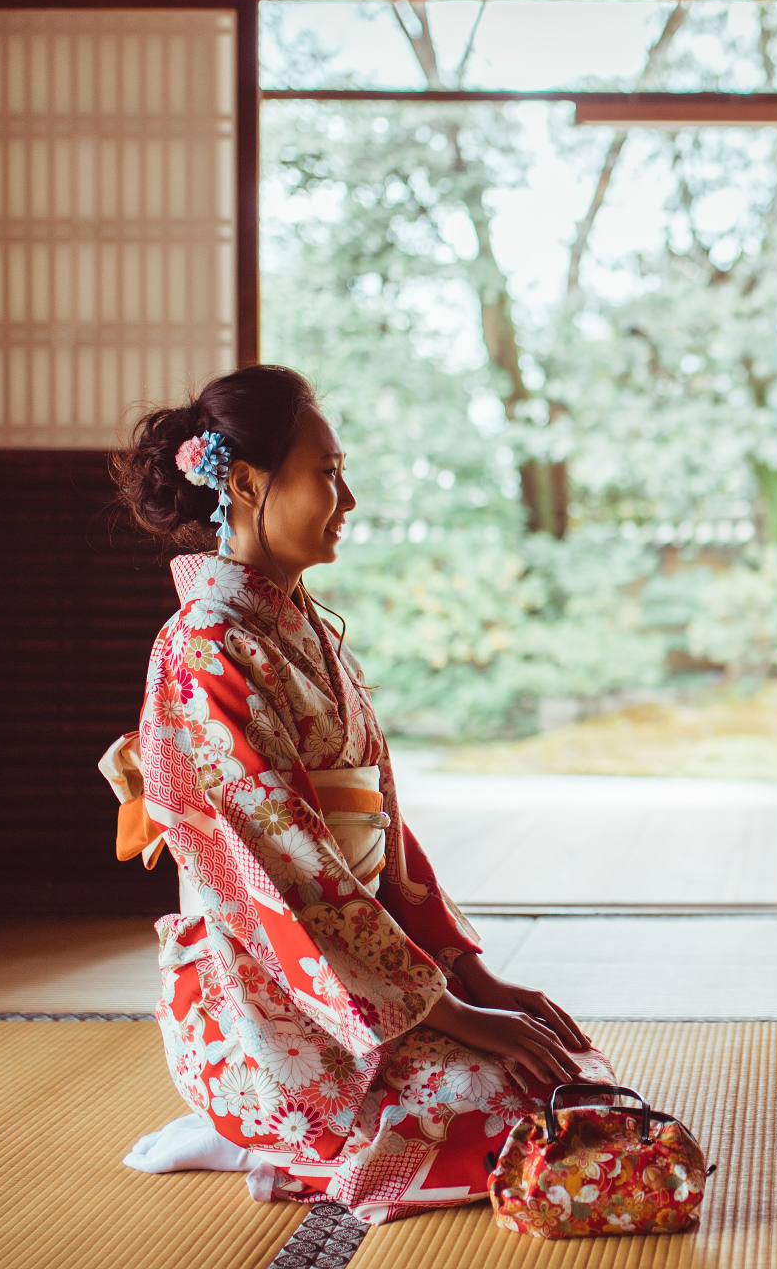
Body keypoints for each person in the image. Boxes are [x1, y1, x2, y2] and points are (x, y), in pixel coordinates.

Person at [103, 365, 611, 1224]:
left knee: (568, 1081)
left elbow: (387, 839)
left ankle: (294, 1135)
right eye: (327, 473)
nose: (347, 497)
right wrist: (445, 1011)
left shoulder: (304, 629)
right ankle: (251, 1132)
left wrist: (475, 979)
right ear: (246, 482)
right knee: (515, 1120)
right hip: (262, 1000)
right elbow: (284, 876)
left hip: (362, 977)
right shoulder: (205, 648)